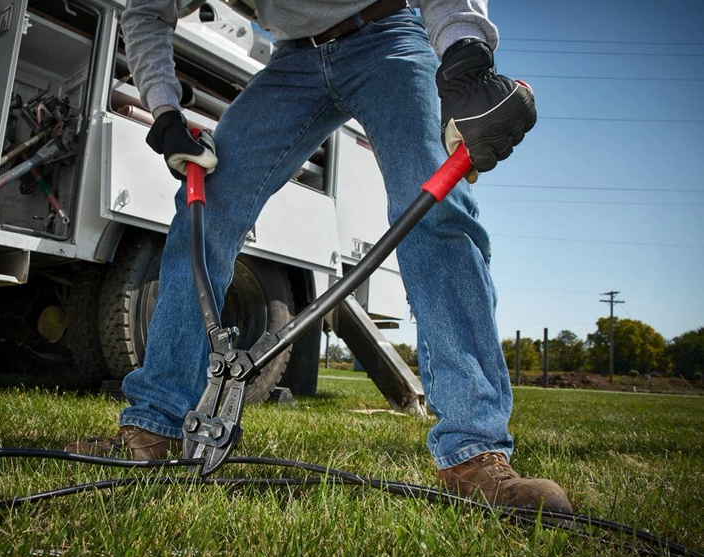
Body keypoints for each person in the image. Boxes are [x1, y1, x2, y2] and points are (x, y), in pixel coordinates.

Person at [68, 0, 573, 514]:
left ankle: (472, 454)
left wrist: (465, 53)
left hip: (389, 33)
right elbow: (146, 11)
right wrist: (164, 110)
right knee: (205, 207)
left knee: (437, 213)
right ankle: (155, 429)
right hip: (293, 60)